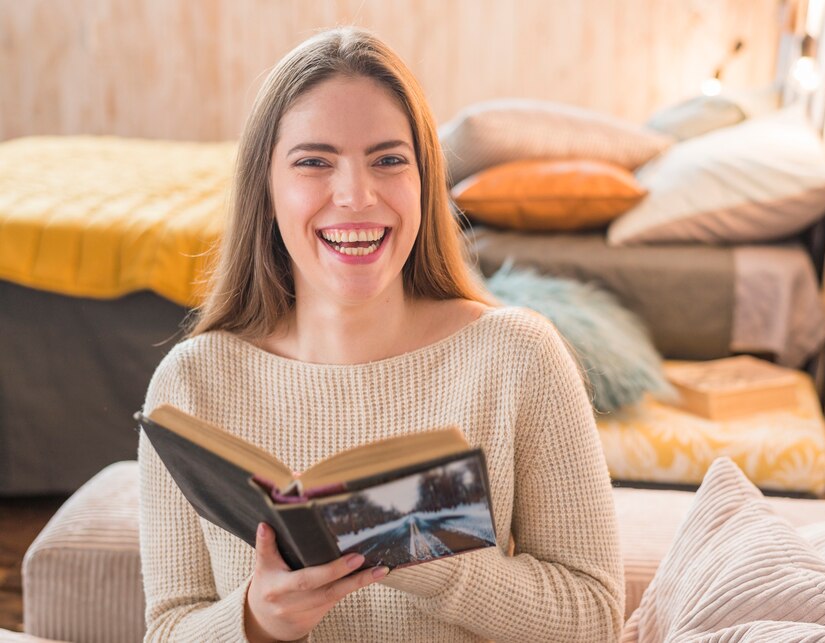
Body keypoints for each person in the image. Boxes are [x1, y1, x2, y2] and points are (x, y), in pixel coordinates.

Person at [139, 26, 624, 642]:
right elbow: (167, 629)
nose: (356, 195)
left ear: (424, 181)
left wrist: (441, 565)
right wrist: (257, 621)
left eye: (388, 160)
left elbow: (597, 619)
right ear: (265, 189)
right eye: (314, 162)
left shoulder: (518, 358)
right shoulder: (191, 383)